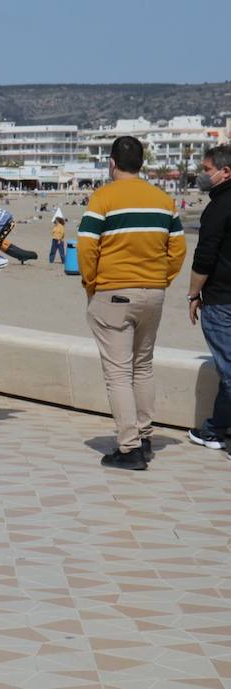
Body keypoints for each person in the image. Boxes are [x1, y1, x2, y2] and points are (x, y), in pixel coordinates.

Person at [79, 136, 186, 470]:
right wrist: (160, 280)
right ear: (142, 163)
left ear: (112, 162)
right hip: (153, 293)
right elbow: (178, 250)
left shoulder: (103, 198)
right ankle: (145, 434)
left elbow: (86, 247)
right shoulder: (163, 199)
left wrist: (92, 284)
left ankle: (129, 448)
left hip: (113, 292)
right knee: (143, 366)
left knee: (119, 373)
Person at [187, 145, 231, 453]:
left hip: (221, 300)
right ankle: (214, 429)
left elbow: (204, 258)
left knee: (229, 368)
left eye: (206, 169)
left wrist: (192, 294)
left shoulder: (218, 207)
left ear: (224, 172)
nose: (202, 175)